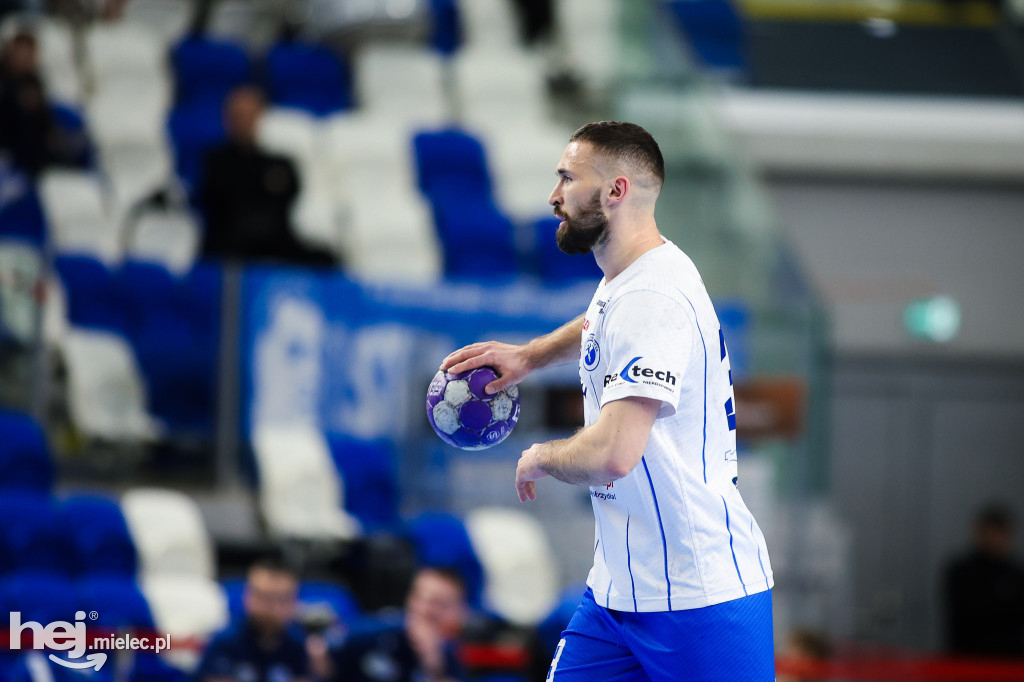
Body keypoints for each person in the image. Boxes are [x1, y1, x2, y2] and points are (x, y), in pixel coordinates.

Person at [442, 121, 774, 681]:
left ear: (616, 191)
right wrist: (531, 355)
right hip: (620, 591)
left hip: (699, 595)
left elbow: (617, 452)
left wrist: (541, 456)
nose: (554, 197)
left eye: (568, 179)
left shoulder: (651, 295)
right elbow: (602, 320)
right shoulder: (631, 277)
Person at [199, 86, 334, 266]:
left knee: (325, 259)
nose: (244, 122)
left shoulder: (281, 163)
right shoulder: (215, 161)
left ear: (261, 117)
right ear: (228, 119)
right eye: (238, 116)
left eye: (250, 115)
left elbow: (288, 198)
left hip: (277, 241)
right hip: (230, 243)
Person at [320, 567, 467, 682]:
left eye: (440, 604)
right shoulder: (375, 633)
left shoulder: (461, 650)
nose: (427, 610)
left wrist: (433, 664)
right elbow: (323, 659)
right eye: (422, 599)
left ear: (459, 610)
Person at [194, 558, 310, 682]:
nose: (274, 609)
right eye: (266, 599)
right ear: (248, 597)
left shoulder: (298, 646)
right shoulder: (224, 643)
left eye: (283, 600)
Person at [944, 503, 1024, 657]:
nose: (993, 539)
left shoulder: (1016, 574)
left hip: (1007, 660)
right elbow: (967, 615)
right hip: (968, 658)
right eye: (988, 532)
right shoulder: (960, 571)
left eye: (999, 533)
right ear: (978, 533)